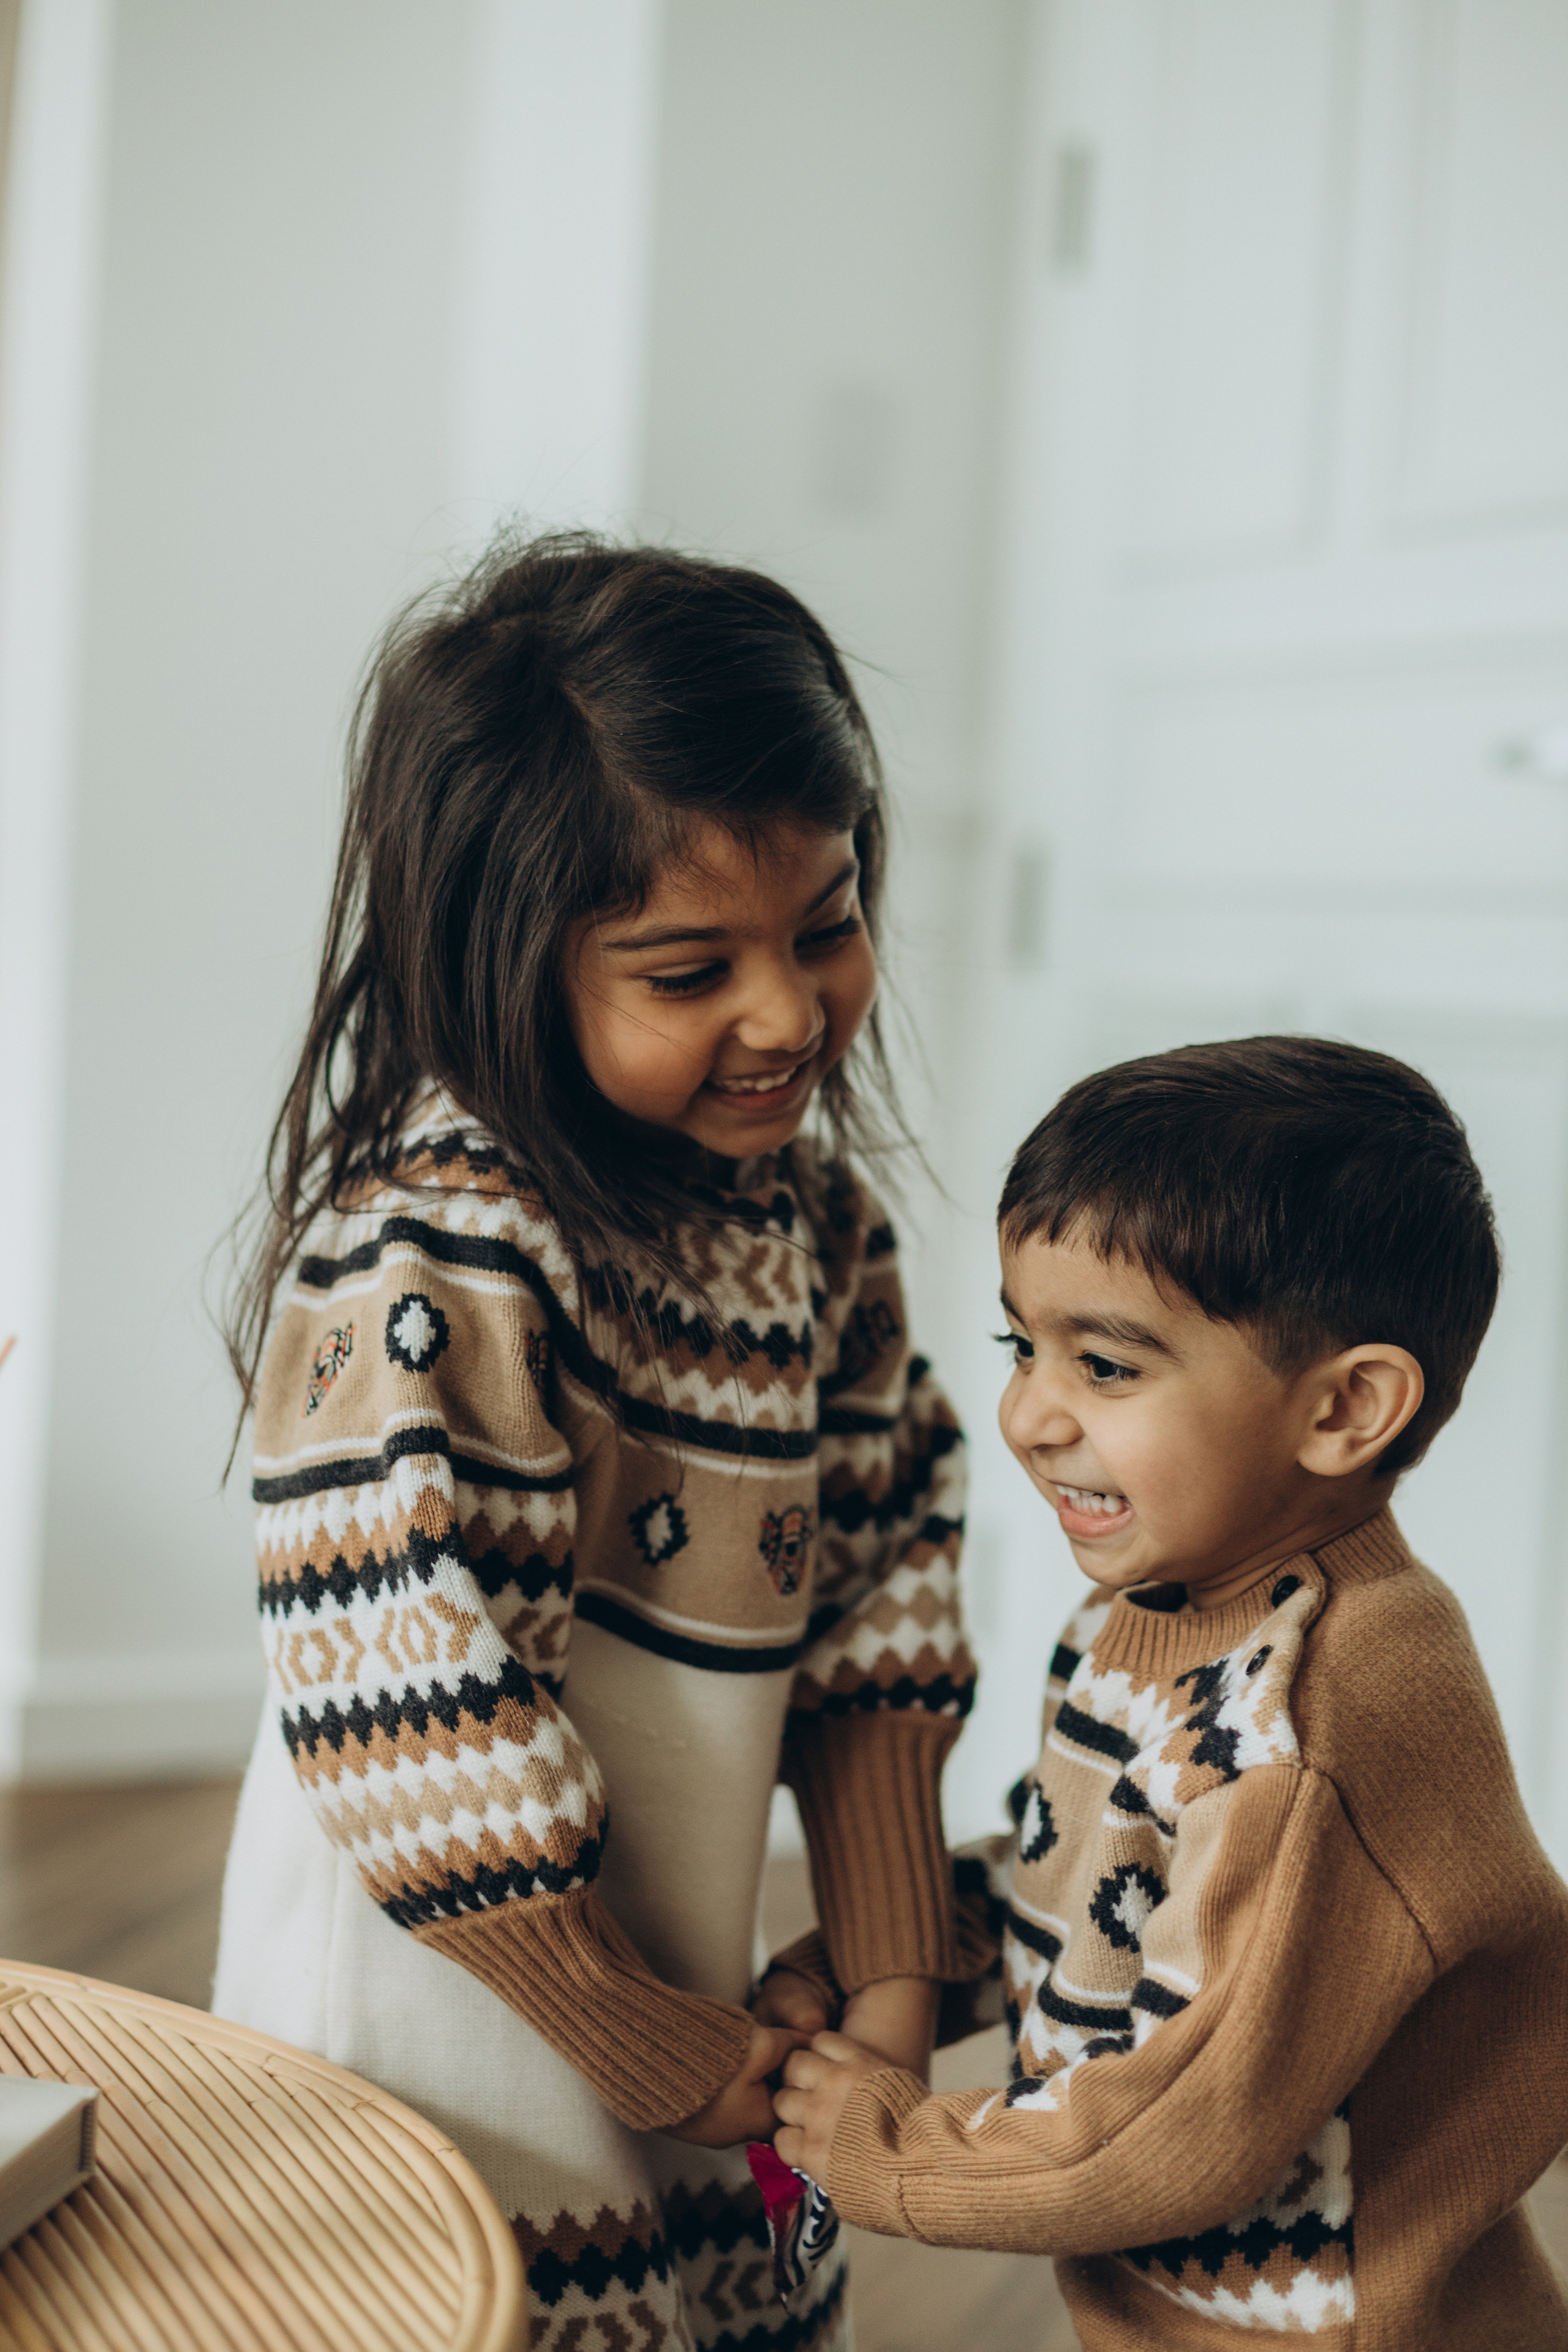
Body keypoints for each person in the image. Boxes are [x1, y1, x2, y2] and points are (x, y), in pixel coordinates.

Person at [212, 533, 974, 2352]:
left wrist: (886, 1968)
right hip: (449, 2005)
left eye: (828, 924)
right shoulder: (441, 1255)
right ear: (507, 962)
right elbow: (417, 1732)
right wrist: (646, 2040)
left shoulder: (817, 1235)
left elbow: (881, 1601)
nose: (787, 1013)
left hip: (689, 1993)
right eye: (688, 965)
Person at [774, 1037, 1568, 2346]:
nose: (1029, 1412)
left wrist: (885, 2151)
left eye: (1106, 1365)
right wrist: (885, 1956)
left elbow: (1176, 2130)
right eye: (1018, 1342)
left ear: (1343, 1410)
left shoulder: (1303, 1724)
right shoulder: (1153, 1618)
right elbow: (1094, 1895)